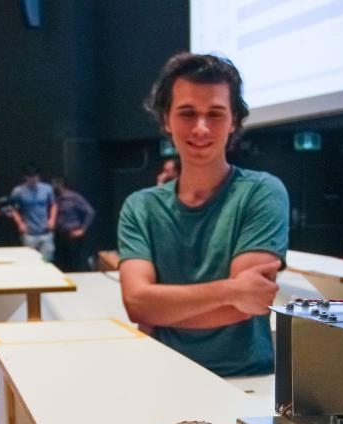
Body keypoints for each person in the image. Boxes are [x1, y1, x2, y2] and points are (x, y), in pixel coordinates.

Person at [118, 52, 289, 377]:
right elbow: (136, 303)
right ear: (166, 119)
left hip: (248, 378)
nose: (201, 127)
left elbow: (248, 305)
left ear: (234, 121)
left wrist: (161, 308)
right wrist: (231, 290)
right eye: (187, 113)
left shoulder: (262, 192)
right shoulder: (140, 206)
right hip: (163, 373)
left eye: (215, 113)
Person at [9, 164, 57, 261]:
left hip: (45, 231)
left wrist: (52, 219)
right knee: (30, 261)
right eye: (31, 177)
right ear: (25, 177)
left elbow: (53, 205)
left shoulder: (47, 188)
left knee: (47, 261)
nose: (34, 179)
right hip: (29, 233)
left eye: (36, 176)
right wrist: (20, 223)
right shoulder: (18, 191)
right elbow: (12, 208)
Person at [52, 177, 96, 272]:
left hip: (72, 233)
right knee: (61, 262)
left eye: (56, 184)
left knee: (74, 261)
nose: (54, 186)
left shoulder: (73, 197)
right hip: (60, 234)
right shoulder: (55, 199)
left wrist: (83, 229)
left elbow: (90, 211)